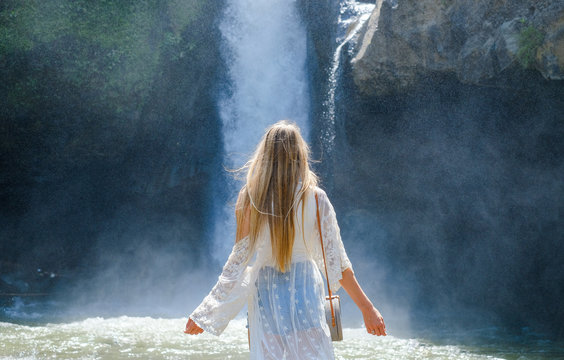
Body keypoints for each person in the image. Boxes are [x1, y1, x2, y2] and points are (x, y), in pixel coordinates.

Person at [184, 120, 386, 359]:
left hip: (265, 295)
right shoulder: (317, 199)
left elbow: (236, 263)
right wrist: (367, 308)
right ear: (301, 155)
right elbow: (338, 265)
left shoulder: (249, 197)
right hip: (305, 292)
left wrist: (206, 312)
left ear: (265, 155)